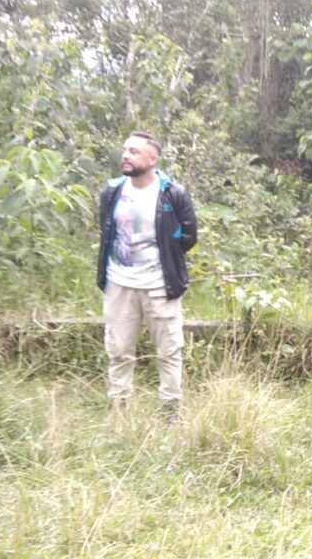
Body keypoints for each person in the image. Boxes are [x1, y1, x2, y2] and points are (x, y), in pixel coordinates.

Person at [97, 131, 198, 422]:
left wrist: (164, 256)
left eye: (134, 151)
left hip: (159, 286)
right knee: (118, 350)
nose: (126, 155)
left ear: (153, 159)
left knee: (168, 351)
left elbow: (188, 235)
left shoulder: (172, 194)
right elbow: (106, 230)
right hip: (118, 284)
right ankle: (118, 410)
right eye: (125, 150)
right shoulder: (112, 191)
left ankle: (170, 413)